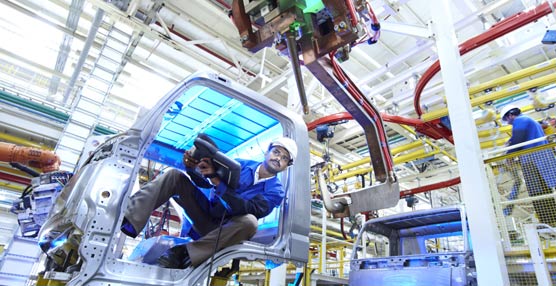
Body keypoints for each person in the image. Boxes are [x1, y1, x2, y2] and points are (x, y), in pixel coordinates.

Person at [121, 134, 298, 269]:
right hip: (206, 214)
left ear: (286, 166)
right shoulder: (241, 164)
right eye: (276, 152)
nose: (278, 159)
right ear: (267, 151)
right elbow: (205, 182)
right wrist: (193, 168)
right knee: (174, 176)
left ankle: (184, 252)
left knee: (250, 222)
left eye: (284, 158)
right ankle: (129, 220)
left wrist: (216, 181)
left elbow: (248, 208)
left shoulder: (276, 191)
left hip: (227, 231)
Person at [500, 104, 556, 225]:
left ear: (510, 115)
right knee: (544, 190)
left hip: (533, 159)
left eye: (507, 120)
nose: (508, 123)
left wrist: (509, 155)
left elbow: (518, 139)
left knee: (536, 191)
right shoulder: (529, 121)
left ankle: (548, 221)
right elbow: (519, 138)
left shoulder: (521, 120)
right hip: (540, 157)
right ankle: (550, 220)